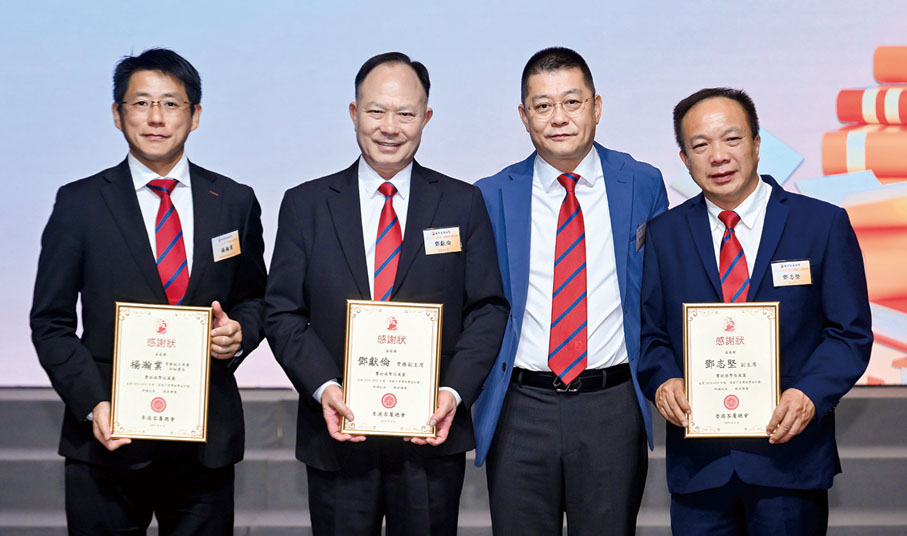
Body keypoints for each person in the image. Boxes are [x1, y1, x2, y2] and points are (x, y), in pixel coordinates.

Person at [263, 51, 508, 536]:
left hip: (430, 436)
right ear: (354, 114)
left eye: (406, 113)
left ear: (426, 118)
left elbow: (487, 308)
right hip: (338, 434)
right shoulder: (306, 204)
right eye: (376, 111)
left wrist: (453, 392)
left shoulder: (462, 202)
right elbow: (282, 313)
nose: (390, 127)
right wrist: (325, 388)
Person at [29, 48, 267, 535]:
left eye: (171, 103)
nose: (156, 118)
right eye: (141, 103)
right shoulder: (79, 204)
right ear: (117, 114)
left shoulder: (234, 201)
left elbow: (257, 299)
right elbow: (50, 322)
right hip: (108, 438)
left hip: (205, 441)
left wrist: (238, 333)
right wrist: (94, 402)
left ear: (195, 115)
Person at [638, 87, 873, 535]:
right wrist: (662, 379)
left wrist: (809, 393)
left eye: (732, 139)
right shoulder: (664, 235)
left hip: (789, 458)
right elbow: (650, 334)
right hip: (700, 466)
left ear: (757, 142)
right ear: (684, 160)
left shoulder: (821, 224)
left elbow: (850, 333)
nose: (718, 156)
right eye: (700, 145)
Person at [471, 47, 668, 535]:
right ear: (524, 116)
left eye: (572, 102)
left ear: (597, 107)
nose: (558, 118)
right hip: (521, 407)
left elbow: (660, 291)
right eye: (542, 106)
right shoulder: (491, 193)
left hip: (612, 404)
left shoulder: (642, 183)